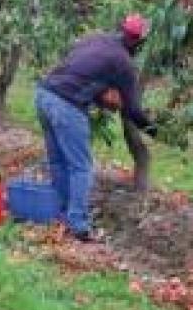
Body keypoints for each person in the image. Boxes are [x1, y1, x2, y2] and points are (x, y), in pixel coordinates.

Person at [36, 14, 157, 242]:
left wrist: (100, 97)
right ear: (138, 42)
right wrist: (155, 131)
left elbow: (78, 71)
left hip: (44, 94)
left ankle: (60, 213)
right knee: (81, 167)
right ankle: (79, 225)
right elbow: (132, 109)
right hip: (66, 105)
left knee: (59, 161)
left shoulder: (94, 40)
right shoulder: (124, 63)